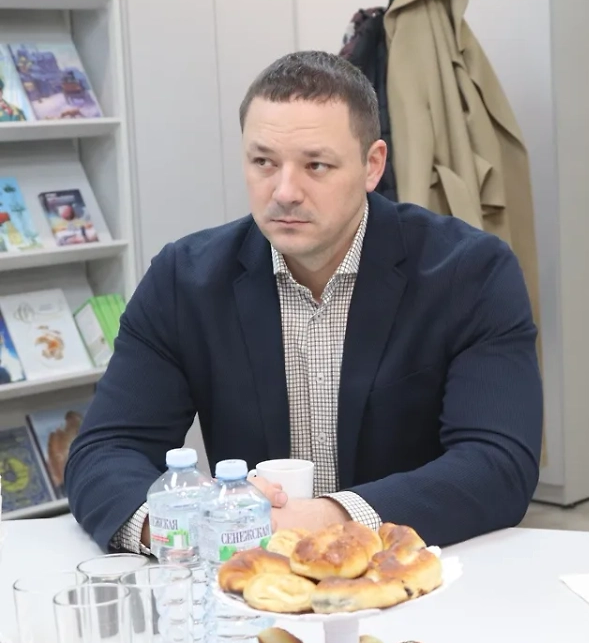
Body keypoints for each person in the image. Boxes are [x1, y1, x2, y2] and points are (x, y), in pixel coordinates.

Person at [64, 50, 543, 553]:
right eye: (263, 162)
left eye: (316, 165)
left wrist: (330, 519)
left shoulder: (470, 273)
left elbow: (497, 464)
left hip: (420, 573)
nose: (285, 191)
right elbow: (103, 452)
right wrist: (188, 525)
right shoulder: (184, 280)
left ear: (372, 165)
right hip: (254, 581)